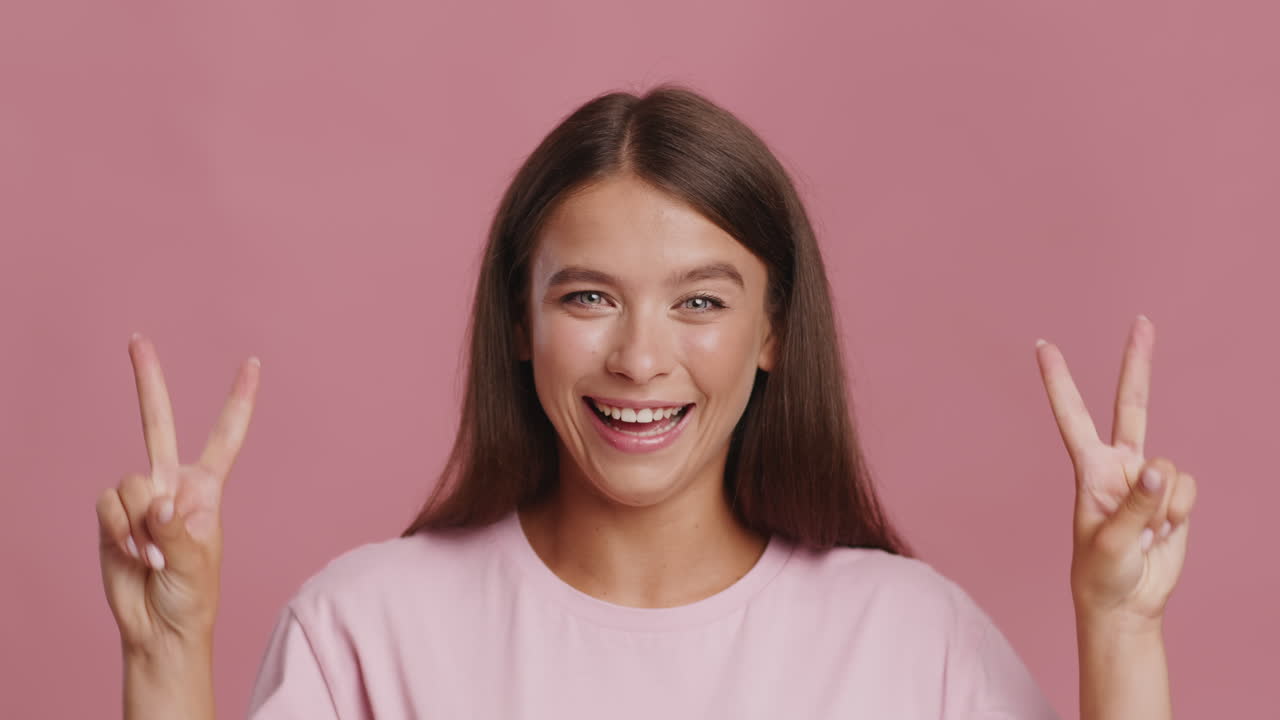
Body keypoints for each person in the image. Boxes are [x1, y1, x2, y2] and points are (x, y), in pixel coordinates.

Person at [97, 85, 1197, 719]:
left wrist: (1120, 626)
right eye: (586, 297)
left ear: (771, 332)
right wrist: (164, 658)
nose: (638, 356)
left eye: (699, 302)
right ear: (518, 327)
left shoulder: (911, 642)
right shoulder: (365, 632)